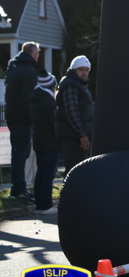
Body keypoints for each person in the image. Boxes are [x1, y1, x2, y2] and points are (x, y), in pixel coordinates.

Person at [4, 41, 40, 202]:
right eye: (38, 52)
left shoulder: (13, 67)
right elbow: (27, 98)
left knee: (17, 152)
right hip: (23, 117)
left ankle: (17, 187)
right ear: (34, 53)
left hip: (12, 114)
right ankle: (19, 189)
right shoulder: (29, 70)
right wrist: (33, 118)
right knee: (22, 153)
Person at [54, 56, 94, 173]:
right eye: (80, 69)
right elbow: (71, 111)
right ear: (74, 70)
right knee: (73, 170)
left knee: (79, 170)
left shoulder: (79, 84)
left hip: (76, 134)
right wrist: (82, 134)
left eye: (86, 70)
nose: (84, 73)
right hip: (73, 136)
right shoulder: (71, 85)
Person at [29, 71, 59, 214]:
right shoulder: (49, 101)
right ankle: (46, 205)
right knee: (48, 174)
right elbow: (54, 123)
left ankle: (39, 204)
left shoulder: (35, 99)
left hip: (38, 140)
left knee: (41, 173)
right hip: (50, 142)